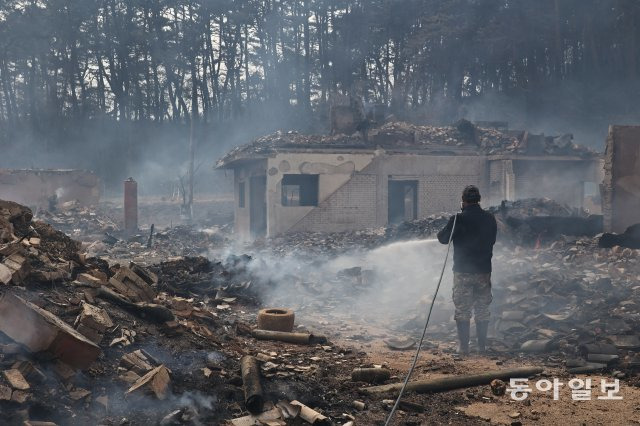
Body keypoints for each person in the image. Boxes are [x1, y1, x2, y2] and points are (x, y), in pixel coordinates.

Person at [437, 185, 497, 354]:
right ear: (479, 200)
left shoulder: (458, 219)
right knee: (482, 310)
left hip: (463, 272)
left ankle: (463, 348)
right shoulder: (490, 218)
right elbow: (492, 241)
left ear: (463, 201)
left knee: (463, 310)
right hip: (484, 272)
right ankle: (482, 348)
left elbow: (443, 239)